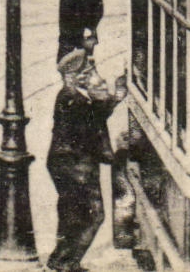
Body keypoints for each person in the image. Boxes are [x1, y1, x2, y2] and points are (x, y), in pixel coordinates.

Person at [46, 28, 126, 272]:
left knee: (71, 215)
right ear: (78, 78)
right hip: (75, 166)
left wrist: (113, 97)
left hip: (66, 163)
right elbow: (92, 123)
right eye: (91, 73)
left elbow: (95, 113)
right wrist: (112, 98)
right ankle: (66, 263)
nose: (97, 77)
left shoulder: (72, 97)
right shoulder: (73, 100)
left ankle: (61, 260)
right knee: (94, 215)